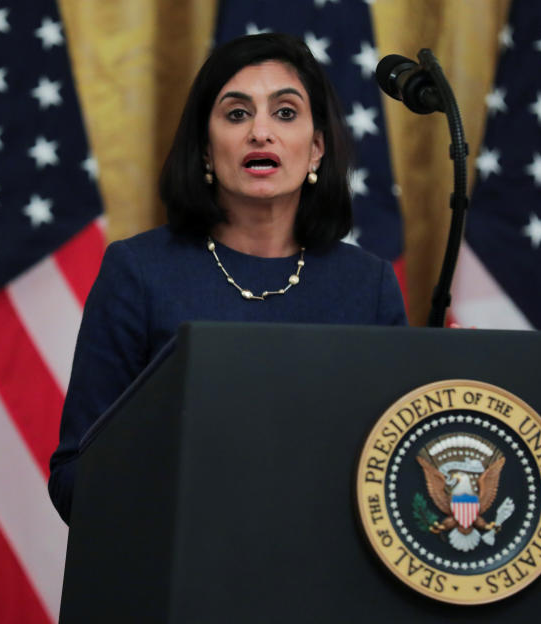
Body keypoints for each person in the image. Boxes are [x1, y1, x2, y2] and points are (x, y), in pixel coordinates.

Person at [48, 33, 407, 523]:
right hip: (177, 577)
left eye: (285, 113)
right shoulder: (138, 272)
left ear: (317, 149)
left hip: (320, 582)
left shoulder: (369, 286)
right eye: (237, 114)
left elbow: (392, 479)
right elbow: (73, 482)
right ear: (204, 151)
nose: (261, 132)